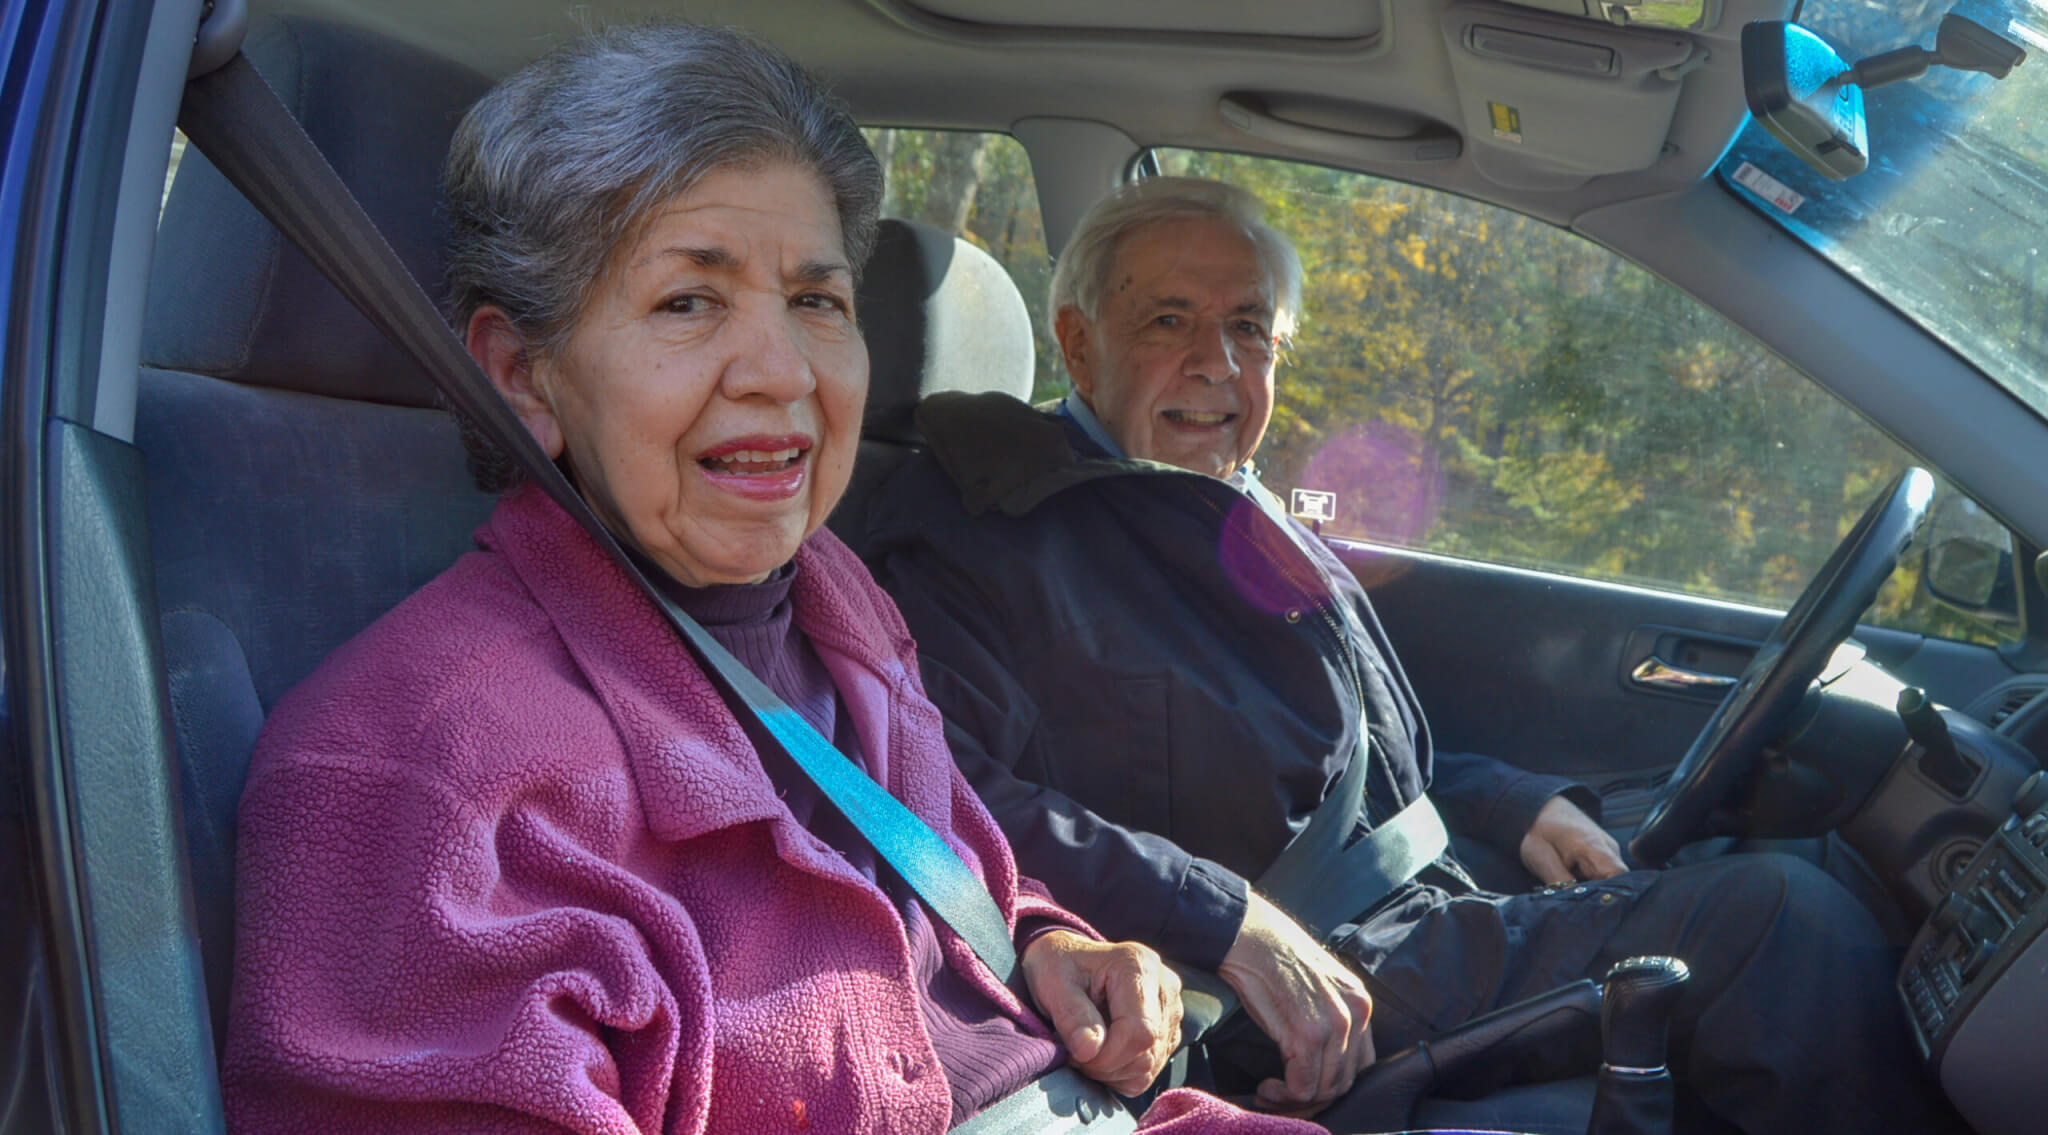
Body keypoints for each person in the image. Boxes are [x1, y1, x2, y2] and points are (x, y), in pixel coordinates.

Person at [220, 28, 1328, 1135]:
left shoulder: (832, 598)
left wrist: (1046, 943)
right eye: (687, 302)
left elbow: (942, 870)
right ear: (524, 376)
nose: (782, 372)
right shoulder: (424, 771)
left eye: (816, 300)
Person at [863, 176, 1959, 1133]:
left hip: (1416, 900)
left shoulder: (1233, 507)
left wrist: (1510, 802)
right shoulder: (976, 527)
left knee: (1817, 861)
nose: (1217, 363)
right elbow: (944, 799)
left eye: (1250, 327)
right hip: (1281, 986)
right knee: (1778, 920)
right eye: (1167, 321)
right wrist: (1218, 914)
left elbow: (1358, 756)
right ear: (1075, 341)